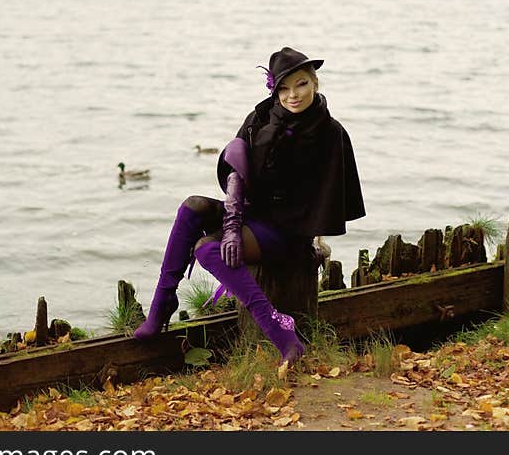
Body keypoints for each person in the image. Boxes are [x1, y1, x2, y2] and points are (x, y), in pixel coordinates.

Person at [133, 46, 366, 367]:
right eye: (283, 88)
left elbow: (323, 201)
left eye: (301, 84)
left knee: (206, 249)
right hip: (254, 215)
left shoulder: (329, 132)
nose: (292, 95)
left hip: (289, 230)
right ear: (274, 89)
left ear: (315, 83)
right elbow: (235, 173)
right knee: (191, 207)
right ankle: (162, 304)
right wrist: (231, 225)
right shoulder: (260, 117)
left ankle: (280, 329)